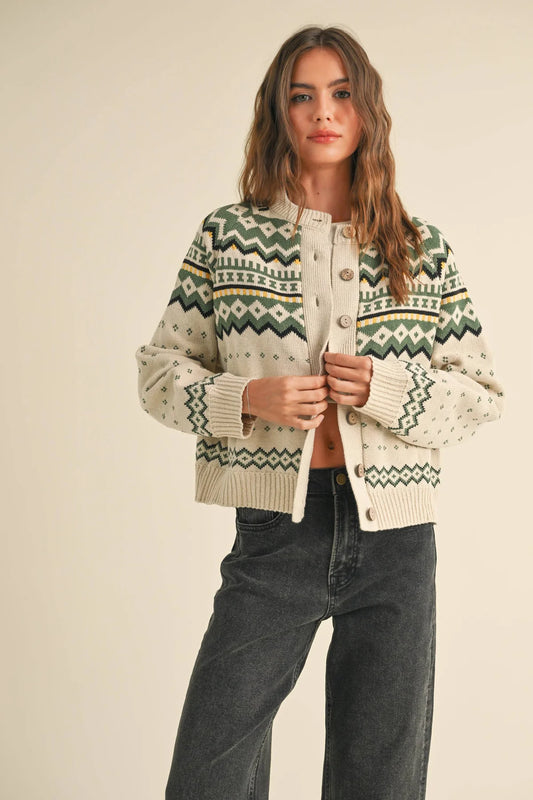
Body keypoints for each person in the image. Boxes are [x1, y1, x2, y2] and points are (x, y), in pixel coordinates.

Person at [135, 24, 504, 800]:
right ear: (279, 111)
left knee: (379, 778)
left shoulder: (419, 249)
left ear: (366, 109)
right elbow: (160, 374)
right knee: (208, 772)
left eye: (340, 93)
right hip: (277, 531)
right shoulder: (228, 236)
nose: (322, 112)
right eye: (301, 95)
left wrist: (384, 391)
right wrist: (246, 399)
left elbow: (479, 396)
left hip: (397, 542)